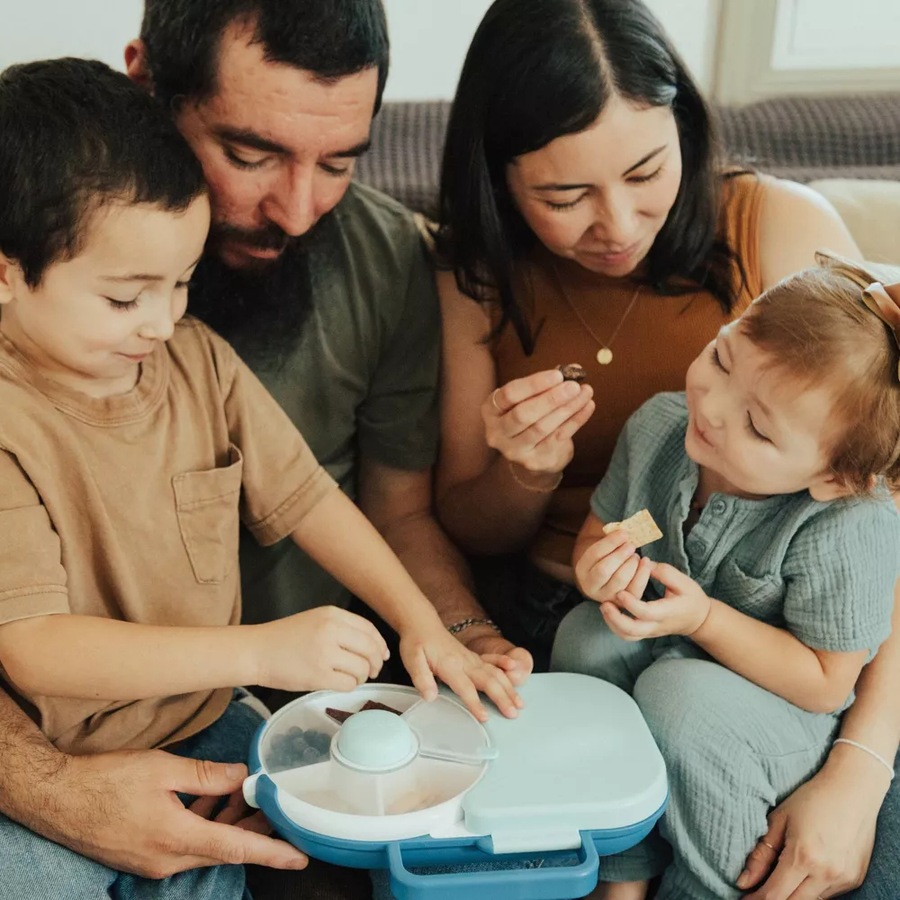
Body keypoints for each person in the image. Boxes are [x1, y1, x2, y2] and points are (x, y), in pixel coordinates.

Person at [0, 0, 531, 891]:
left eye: (180, 284)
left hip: (215, 713)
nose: (295, 209)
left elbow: (323, 500)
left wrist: (424, 622)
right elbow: (34, 645)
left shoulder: (195, 351)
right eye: (249, 155)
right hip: (57, 741)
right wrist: (258, 649)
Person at [431, 0, 900, 896]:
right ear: (499, 181)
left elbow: (881, 546)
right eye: (564, 197)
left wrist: (861, 765)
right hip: (577, 611)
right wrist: (528, 472)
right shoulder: (477, 274)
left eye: (648, 171)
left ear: (684, 124)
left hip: (799, 643)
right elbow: (468, 526)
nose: (617, 223)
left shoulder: (781, 236)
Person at [550, 253, 900, 899]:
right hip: (670, 649)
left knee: (681, 695)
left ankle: (705, 886)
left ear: (833, 479)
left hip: (783, 716)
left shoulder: (849, 526)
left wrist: (705, 620)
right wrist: (598, 569)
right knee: (586, 636)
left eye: (758, 429)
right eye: (719, 358)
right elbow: (613, 528)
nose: (711, 408)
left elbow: (825, 685)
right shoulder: (664, 425)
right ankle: (623, 869)